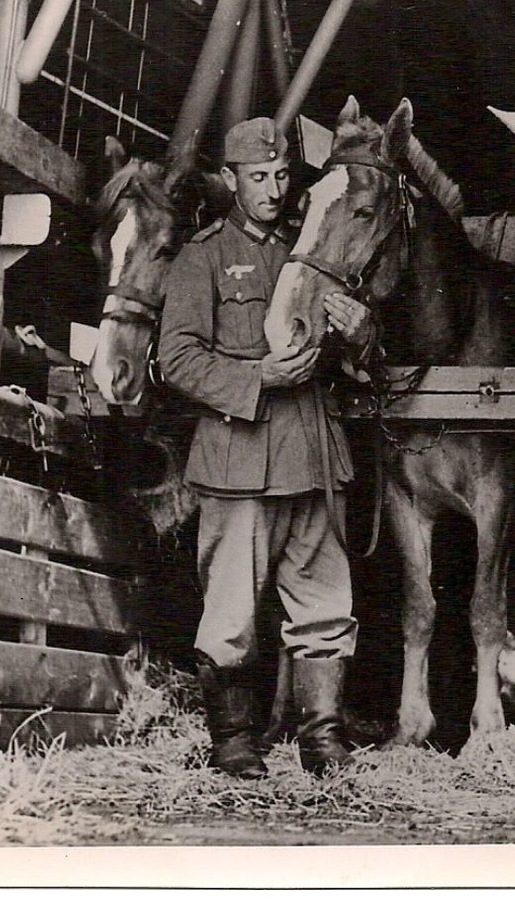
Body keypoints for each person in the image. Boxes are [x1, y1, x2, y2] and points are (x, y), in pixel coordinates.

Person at [158, 117, 377, 779]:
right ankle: (233, 740)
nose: (273, 189)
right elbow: (176, 360)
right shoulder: (201, 257)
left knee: (325, 608)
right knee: (229, 614)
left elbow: (354, 364)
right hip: (238, 463)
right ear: (230, 181)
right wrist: (259, 377)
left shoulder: (307, 250)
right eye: (258, 177)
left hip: (312, 459)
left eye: (282, 176)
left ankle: (322, 739)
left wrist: (363, 333)